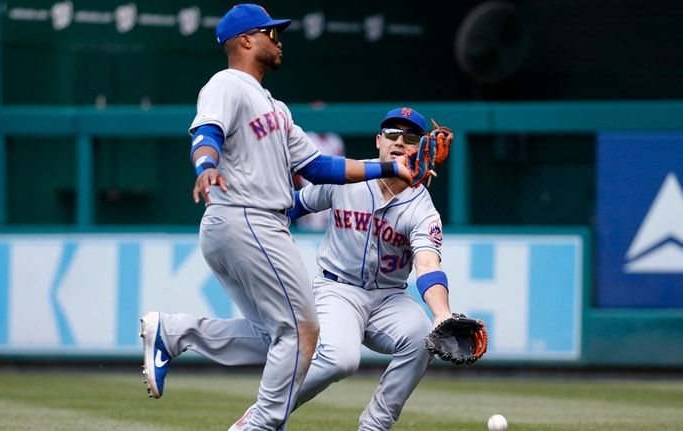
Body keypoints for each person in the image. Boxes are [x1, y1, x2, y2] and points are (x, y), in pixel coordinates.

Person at [138, 5, 413, 431]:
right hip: (249, 217)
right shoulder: (227, 84)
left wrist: (390, 168)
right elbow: (205, 132)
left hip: (241, 225)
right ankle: (260, 426)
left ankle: (174, 333)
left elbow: (322, 167)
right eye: (271, 33)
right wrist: (205, 166)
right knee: (302, 333)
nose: (278, 41)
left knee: (275, 335)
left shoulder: (274, 107)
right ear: (245, 39)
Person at [287, 106, 454, 430]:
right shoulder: (348, 176)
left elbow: (427, 264)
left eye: (410, 137)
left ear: (422, 148)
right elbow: (295, 205)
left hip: (389, 298)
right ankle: (266, 411)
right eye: (392, 134)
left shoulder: (422, 208)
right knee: (340, 359)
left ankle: (375, 426)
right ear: (379, 141)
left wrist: (442, 314)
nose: (399, 142)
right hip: (338, 288)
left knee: (423, 337)